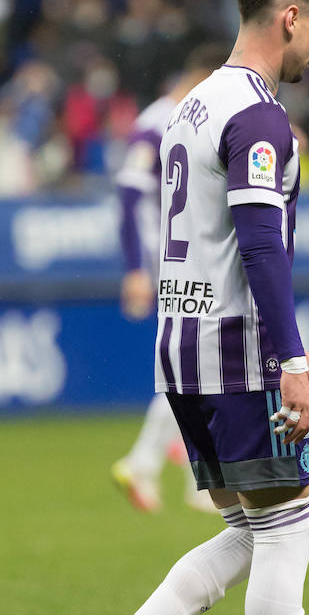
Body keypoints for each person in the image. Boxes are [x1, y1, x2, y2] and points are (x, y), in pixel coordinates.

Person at [74, 0, 309, 615]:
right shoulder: (260, 119)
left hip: (179, 353)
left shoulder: (190, 105)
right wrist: (291, 358)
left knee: (250, 526)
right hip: (236, 353)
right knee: (289, 526)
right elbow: (261, 241)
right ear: (290, 21)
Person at [110, 41, 231, 514]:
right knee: (193, 366)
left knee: (192, 366)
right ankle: (154, 460)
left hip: (184, 261)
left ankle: (159, 457)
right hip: (171, 263)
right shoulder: (158, 122)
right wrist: (135, 270)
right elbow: (127, 195)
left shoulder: (184, 118)